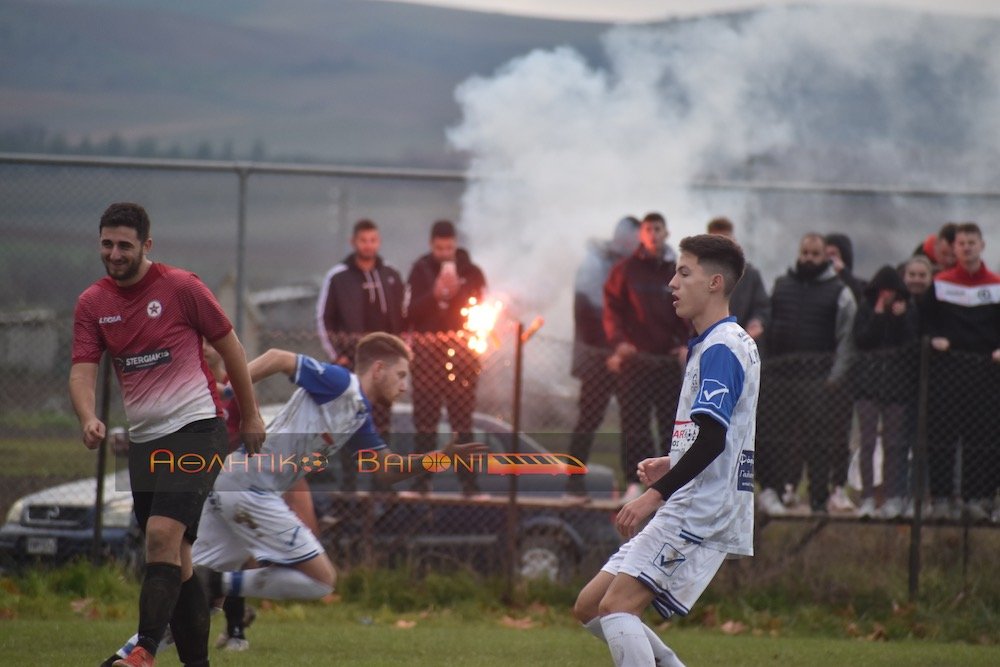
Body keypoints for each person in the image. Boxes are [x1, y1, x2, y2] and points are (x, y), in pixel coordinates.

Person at [70, 202, 265, 667]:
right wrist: (86, 417)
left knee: (160, 535)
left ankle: (141, 652)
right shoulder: (92, 303)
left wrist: (252, 415)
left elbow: (232, 349)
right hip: (146, 442)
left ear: (146, 246)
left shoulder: (181, 288)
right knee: (177, 560)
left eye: (125, 245)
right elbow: (82, 371)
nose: (114, 254)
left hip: (198, 427)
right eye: (107, 244)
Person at [573, 233, 760, 667]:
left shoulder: (722, 348)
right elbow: (719, 435)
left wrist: (652, 496)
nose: (672, 283)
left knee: (617, 608)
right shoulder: (716, 343)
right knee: (589, 606)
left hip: (699, 508)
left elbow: (713, 439)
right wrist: (673, 462)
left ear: (714, 283)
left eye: (684, 272)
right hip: (691, 497)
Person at [756, 233, 857, 516]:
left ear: (825, 256)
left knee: (818, 443)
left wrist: (835, 377)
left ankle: (818, 500)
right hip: (780, 377)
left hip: (817, 379)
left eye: (815, 254)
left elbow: (846, 339)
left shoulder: (839, 292)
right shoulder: (781, 286)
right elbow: (767, 324)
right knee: (776, 439)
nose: (808, 259)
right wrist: (765, 366)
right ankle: (773, 492)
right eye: (805, 253)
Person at [604, 212, 691, 502]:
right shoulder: (625, 270)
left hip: (667, 361)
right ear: (641, 235)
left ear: (666, 233)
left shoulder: (676, 270)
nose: (653, 234)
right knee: (634, 423)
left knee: (670, 423)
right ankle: (633, 481)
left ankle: (667, 483)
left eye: (658, 229)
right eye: (647, 229)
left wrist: (684, 343)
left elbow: (686, 308)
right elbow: (612, 309)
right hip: (635, 361)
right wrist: (619, 343)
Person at [316, 218, 405, 489]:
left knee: (382, 424)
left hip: (384, 368)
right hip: (352, 368)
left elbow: (402, 317)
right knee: (350, 422)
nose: (369, 245)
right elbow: (323, 318)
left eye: (373, 240)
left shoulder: (390, 274)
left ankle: (382, 487)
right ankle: (350, 486)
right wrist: (337, 355)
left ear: (378, 242)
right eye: (364, 240)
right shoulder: (338, 276)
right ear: (354, 242)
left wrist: (398, 356)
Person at [920, 222, 1000, 523]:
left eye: (972, 242)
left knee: (982, 435)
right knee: (943, 434)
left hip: (985, 374)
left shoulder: (995, 285)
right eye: (962, 243)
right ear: (954, 248)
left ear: (982, 245)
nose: (966, 247)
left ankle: (976, 498)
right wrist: (933, 339)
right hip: (948, 372)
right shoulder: (940, 284)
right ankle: (941, 499)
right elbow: (924, 323)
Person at [404, 220, 488, 496]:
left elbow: (481, 311)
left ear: (455, 244)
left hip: (462, 362)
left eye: (449, 247)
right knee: (425, 425)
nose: (444, 253)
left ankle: (469, 484)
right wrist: (435, 295)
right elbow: (409, 312)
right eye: (439, 248)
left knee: (462, 426)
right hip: (427, 361)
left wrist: (457, 293)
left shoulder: (472, 272)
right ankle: (422, 481)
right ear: (432, 245)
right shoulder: (420, 270)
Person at [565, 216, 640, 498]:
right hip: (596, 358)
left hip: (625, 359)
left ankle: (632, 483)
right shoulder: (594, 264)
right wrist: (611, 348)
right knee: (589, 419)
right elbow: (587, 313)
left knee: (633, 421)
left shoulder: (634, 267)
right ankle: (573, 483)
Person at [851, 265, 919, 519]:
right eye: (883, 291)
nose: (887, 295)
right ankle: (867, 498)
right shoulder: (866, 308)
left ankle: (892, 497)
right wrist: (879, 314)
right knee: (867, 444)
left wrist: (900, 318)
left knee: (894, 445)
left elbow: (911, 345)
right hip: (868, 386)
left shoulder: (909, 311)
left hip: (897, 388)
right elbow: (863, 340)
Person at [706, 217, 769, 340]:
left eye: (726, 241)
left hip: (742, 341)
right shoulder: (700, 275)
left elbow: (762, 307)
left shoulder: (750, 275)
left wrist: (757, 321)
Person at [824, 232, 866, 302]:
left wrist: (844, 273)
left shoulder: (862, 286)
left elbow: (859, 298)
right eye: (826, 255)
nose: (829, 259)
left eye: (833, 254)